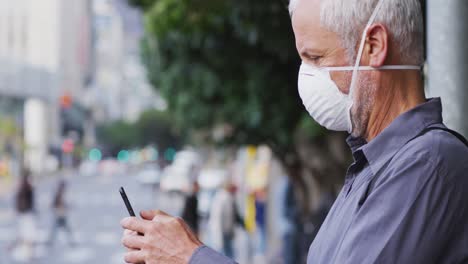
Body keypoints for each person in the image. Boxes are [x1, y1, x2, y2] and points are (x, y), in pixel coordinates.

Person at [120, 0, 468, 263]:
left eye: (315, 57)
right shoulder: (372, 165)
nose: (306, 77)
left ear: (375, 46)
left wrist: (191, 257)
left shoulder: (428, 163)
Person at [208, 183, 242, 259]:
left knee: (228, 252)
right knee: (222, 252)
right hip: (221, 231)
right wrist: (219, 234)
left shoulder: (229, 198)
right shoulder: (222, 198)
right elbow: (217, 217)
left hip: (227, 231)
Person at [12, 169, 37, 261]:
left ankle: (28, 253)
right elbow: (22, 201)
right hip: (26, 214)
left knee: (26, 234)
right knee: (29, 235)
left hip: (25, 214)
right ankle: (27, 254)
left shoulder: (23, 186)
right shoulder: (26, 186)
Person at [47, 180, 75, 247]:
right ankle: (51, 241)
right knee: (56, 229)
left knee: (64, 229)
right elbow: (54, 204)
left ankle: (71, 241)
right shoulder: (58, 194)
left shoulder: (62, 194)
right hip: (59, 214)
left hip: (62, 214)